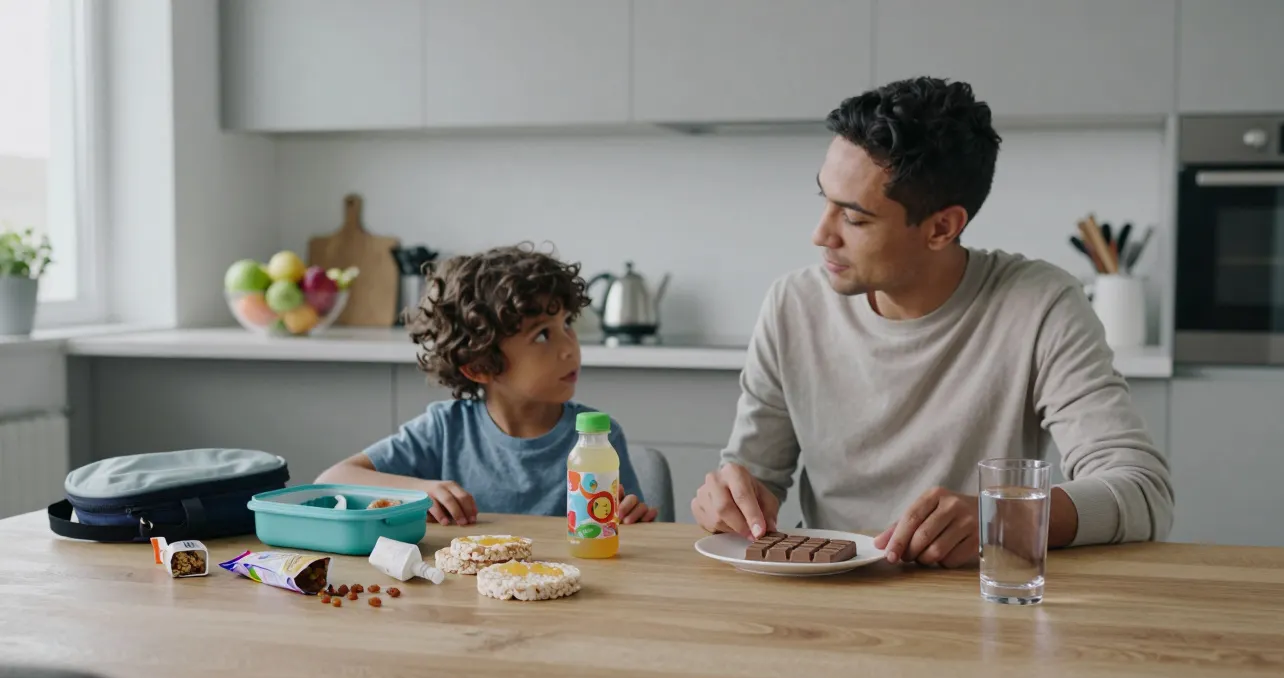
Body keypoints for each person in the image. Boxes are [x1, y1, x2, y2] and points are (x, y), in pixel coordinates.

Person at [692, 77, 1173, 566]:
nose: (820, 234)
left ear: (942, 227)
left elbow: (1142, 491)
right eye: (824, 200)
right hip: (830, 597)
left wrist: (1003, 516)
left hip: (979, 596)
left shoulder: (1040, 304)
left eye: (855, 219)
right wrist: (732, 497)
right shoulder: (792, 305)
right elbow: (756, 480)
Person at [319, 243, 659, 526]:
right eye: (542, 334)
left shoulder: (598, 438)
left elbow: (629, 531)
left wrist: (633, 521)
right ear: (480, 366)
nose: (570, 346)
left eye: (566, 323)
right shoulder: (444, 430)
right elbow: (332, 479)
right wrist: (418, 492)